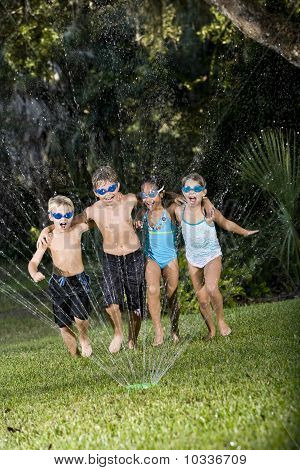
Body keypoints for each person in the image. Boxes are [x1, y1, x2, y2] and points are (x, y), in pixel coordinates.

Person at [37, 166, 144, 353]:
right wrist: (46, 230)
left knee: (136, 306)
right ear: (95, 192)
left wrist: (138, 217)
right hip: (111, 258)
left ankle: (132, 340)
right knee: (110, 303)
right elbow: (69, 221)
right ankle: (118, 334)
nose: (108, 194)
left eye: (112, 188)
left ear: (118, 186)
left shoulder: (130, 200)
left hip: (134, 257)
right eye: (102, 191)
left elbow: (147, 203)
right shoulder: (93, 210)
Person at [175, 173, 259, 340]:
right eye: (187, 189)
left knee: (212, 288)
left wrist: (245, 232)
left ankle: (220, 320)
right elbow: (164, 206)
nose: (192, 192)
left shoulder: (209, 211)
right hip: (193, 259)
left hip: (212, 255)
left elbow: (226, 223)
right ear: (183, 192)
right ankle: (211, 331)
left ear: (204, 192)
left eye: (197, 189)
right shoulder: (179, 212)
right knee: (202, 300)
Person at [137, 177, 215, 346]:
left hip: (170, 258)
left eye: (151, 194)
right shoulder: (143, 214)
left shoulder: (171, 210)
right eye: (144, 195)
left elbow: (189, 209)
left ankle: (174, 329)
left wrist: (206, 202)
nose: (148, 199)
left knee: (171, 296)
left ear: (161, 193)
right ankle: (159, 332)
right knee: (151, 290)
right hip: (152, 258)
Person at [28, 195, 93, 357]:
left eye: (67, 215)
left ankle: (84, 339)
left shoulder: (78, 230)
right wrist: (34, 273)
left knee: (80, 316)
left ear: (73, 215)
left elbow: (95, 220)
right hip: (59, 283)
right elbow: (33, 261)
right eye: (57, 216)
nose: (63, 219)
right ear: (51, 216)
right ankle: (74, 355)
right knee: (63, 324)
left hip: (78, 280)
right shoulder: (48, 238)